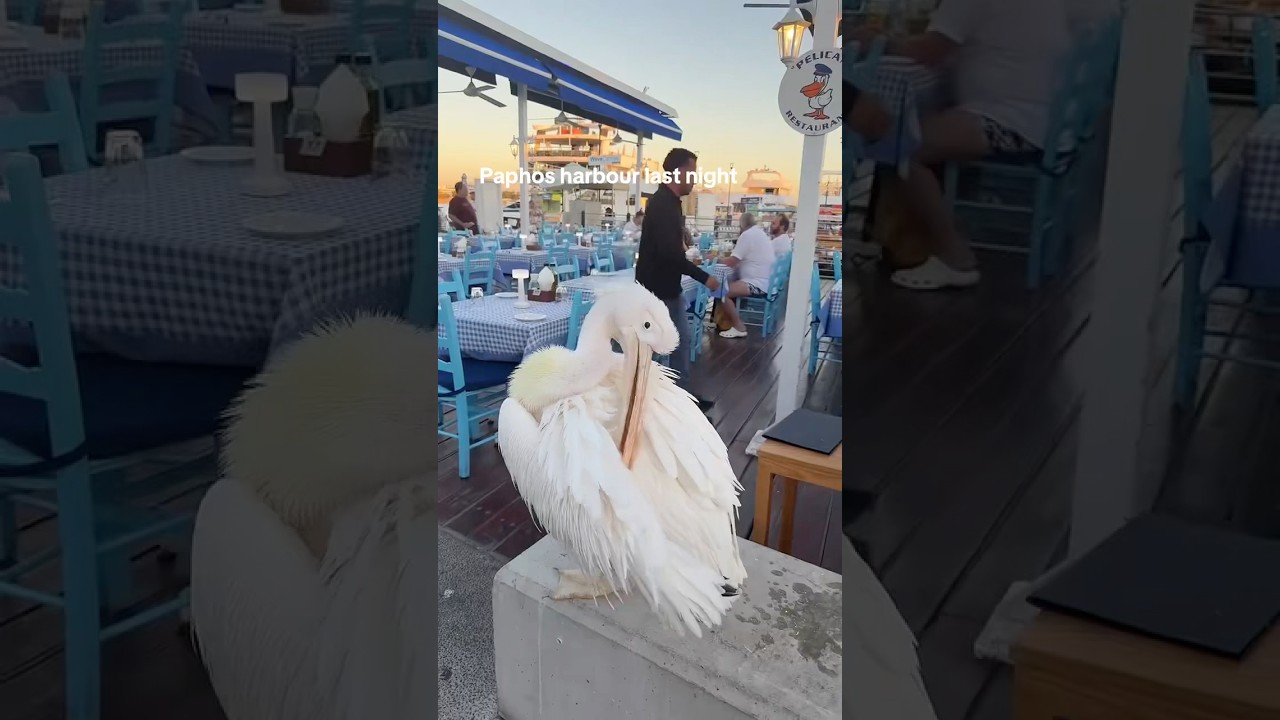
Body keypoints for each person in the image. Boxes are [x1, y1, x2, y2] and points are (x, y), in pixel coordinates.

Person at [849, 0, 1069, 291]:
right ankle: (896, 237)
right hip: (1045, 116)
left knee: (902, 143)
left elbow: (928, 51)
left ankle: (953, 256)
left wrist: (874, 40)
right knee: (912, 124)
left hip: (1012, 120)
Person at [635, 148, 721, 410]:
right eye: (692, 172)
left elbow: (671, 250)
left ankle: (678, 400)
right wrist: (704, 277)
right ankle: (664, 401)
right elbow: (669, 255)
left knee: (679, 342)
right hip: (655, 290)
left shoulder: (670, 203)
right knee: (661, 346)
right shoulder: (662, 204)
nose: (694, 179)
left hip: (666, 287)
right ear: (680, 172)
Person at [714, 213, 775, 339]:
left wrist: (715, 258)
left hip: (757, 283)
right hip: (766, 281)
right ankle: (726, 322)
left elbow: (731, 261)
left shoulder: (747, 235)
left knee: (722, 291)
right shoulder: (760, 233)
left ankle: (738, 327)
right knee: (726, 285)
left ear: (741, 225)